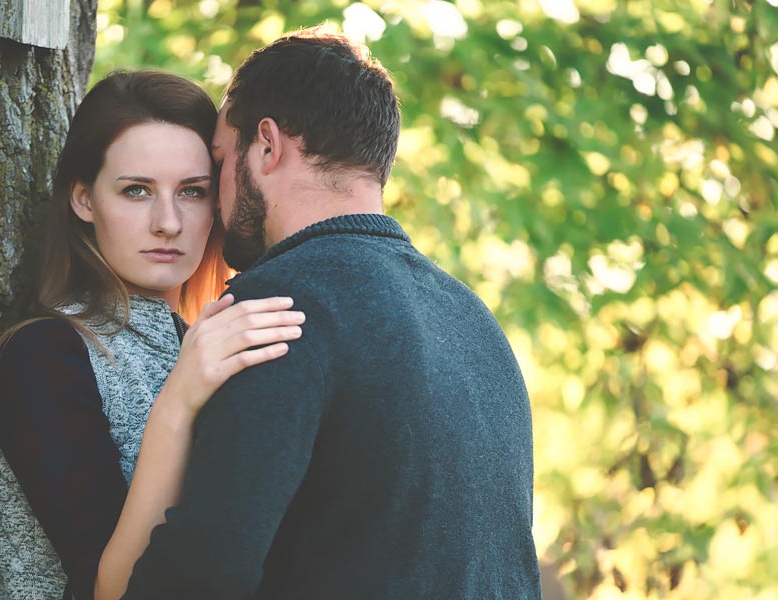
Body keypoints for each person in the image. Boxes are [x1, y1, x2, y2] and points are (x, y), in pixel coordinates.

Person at [123, 29, 542, 599]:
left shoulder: (275, 307)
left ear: (266, 146)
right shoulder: (475, 322)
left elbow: (198, 577)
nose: (216, 200)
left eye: (220, 160)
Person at [0, 69, 305, 600]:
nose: (168, 222)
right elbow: (117, 588)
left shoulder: (203, 342)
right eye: (136, 191)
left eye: (193, 192)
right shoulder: (42, 355)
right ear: (84, 199)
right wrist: (179, 401)